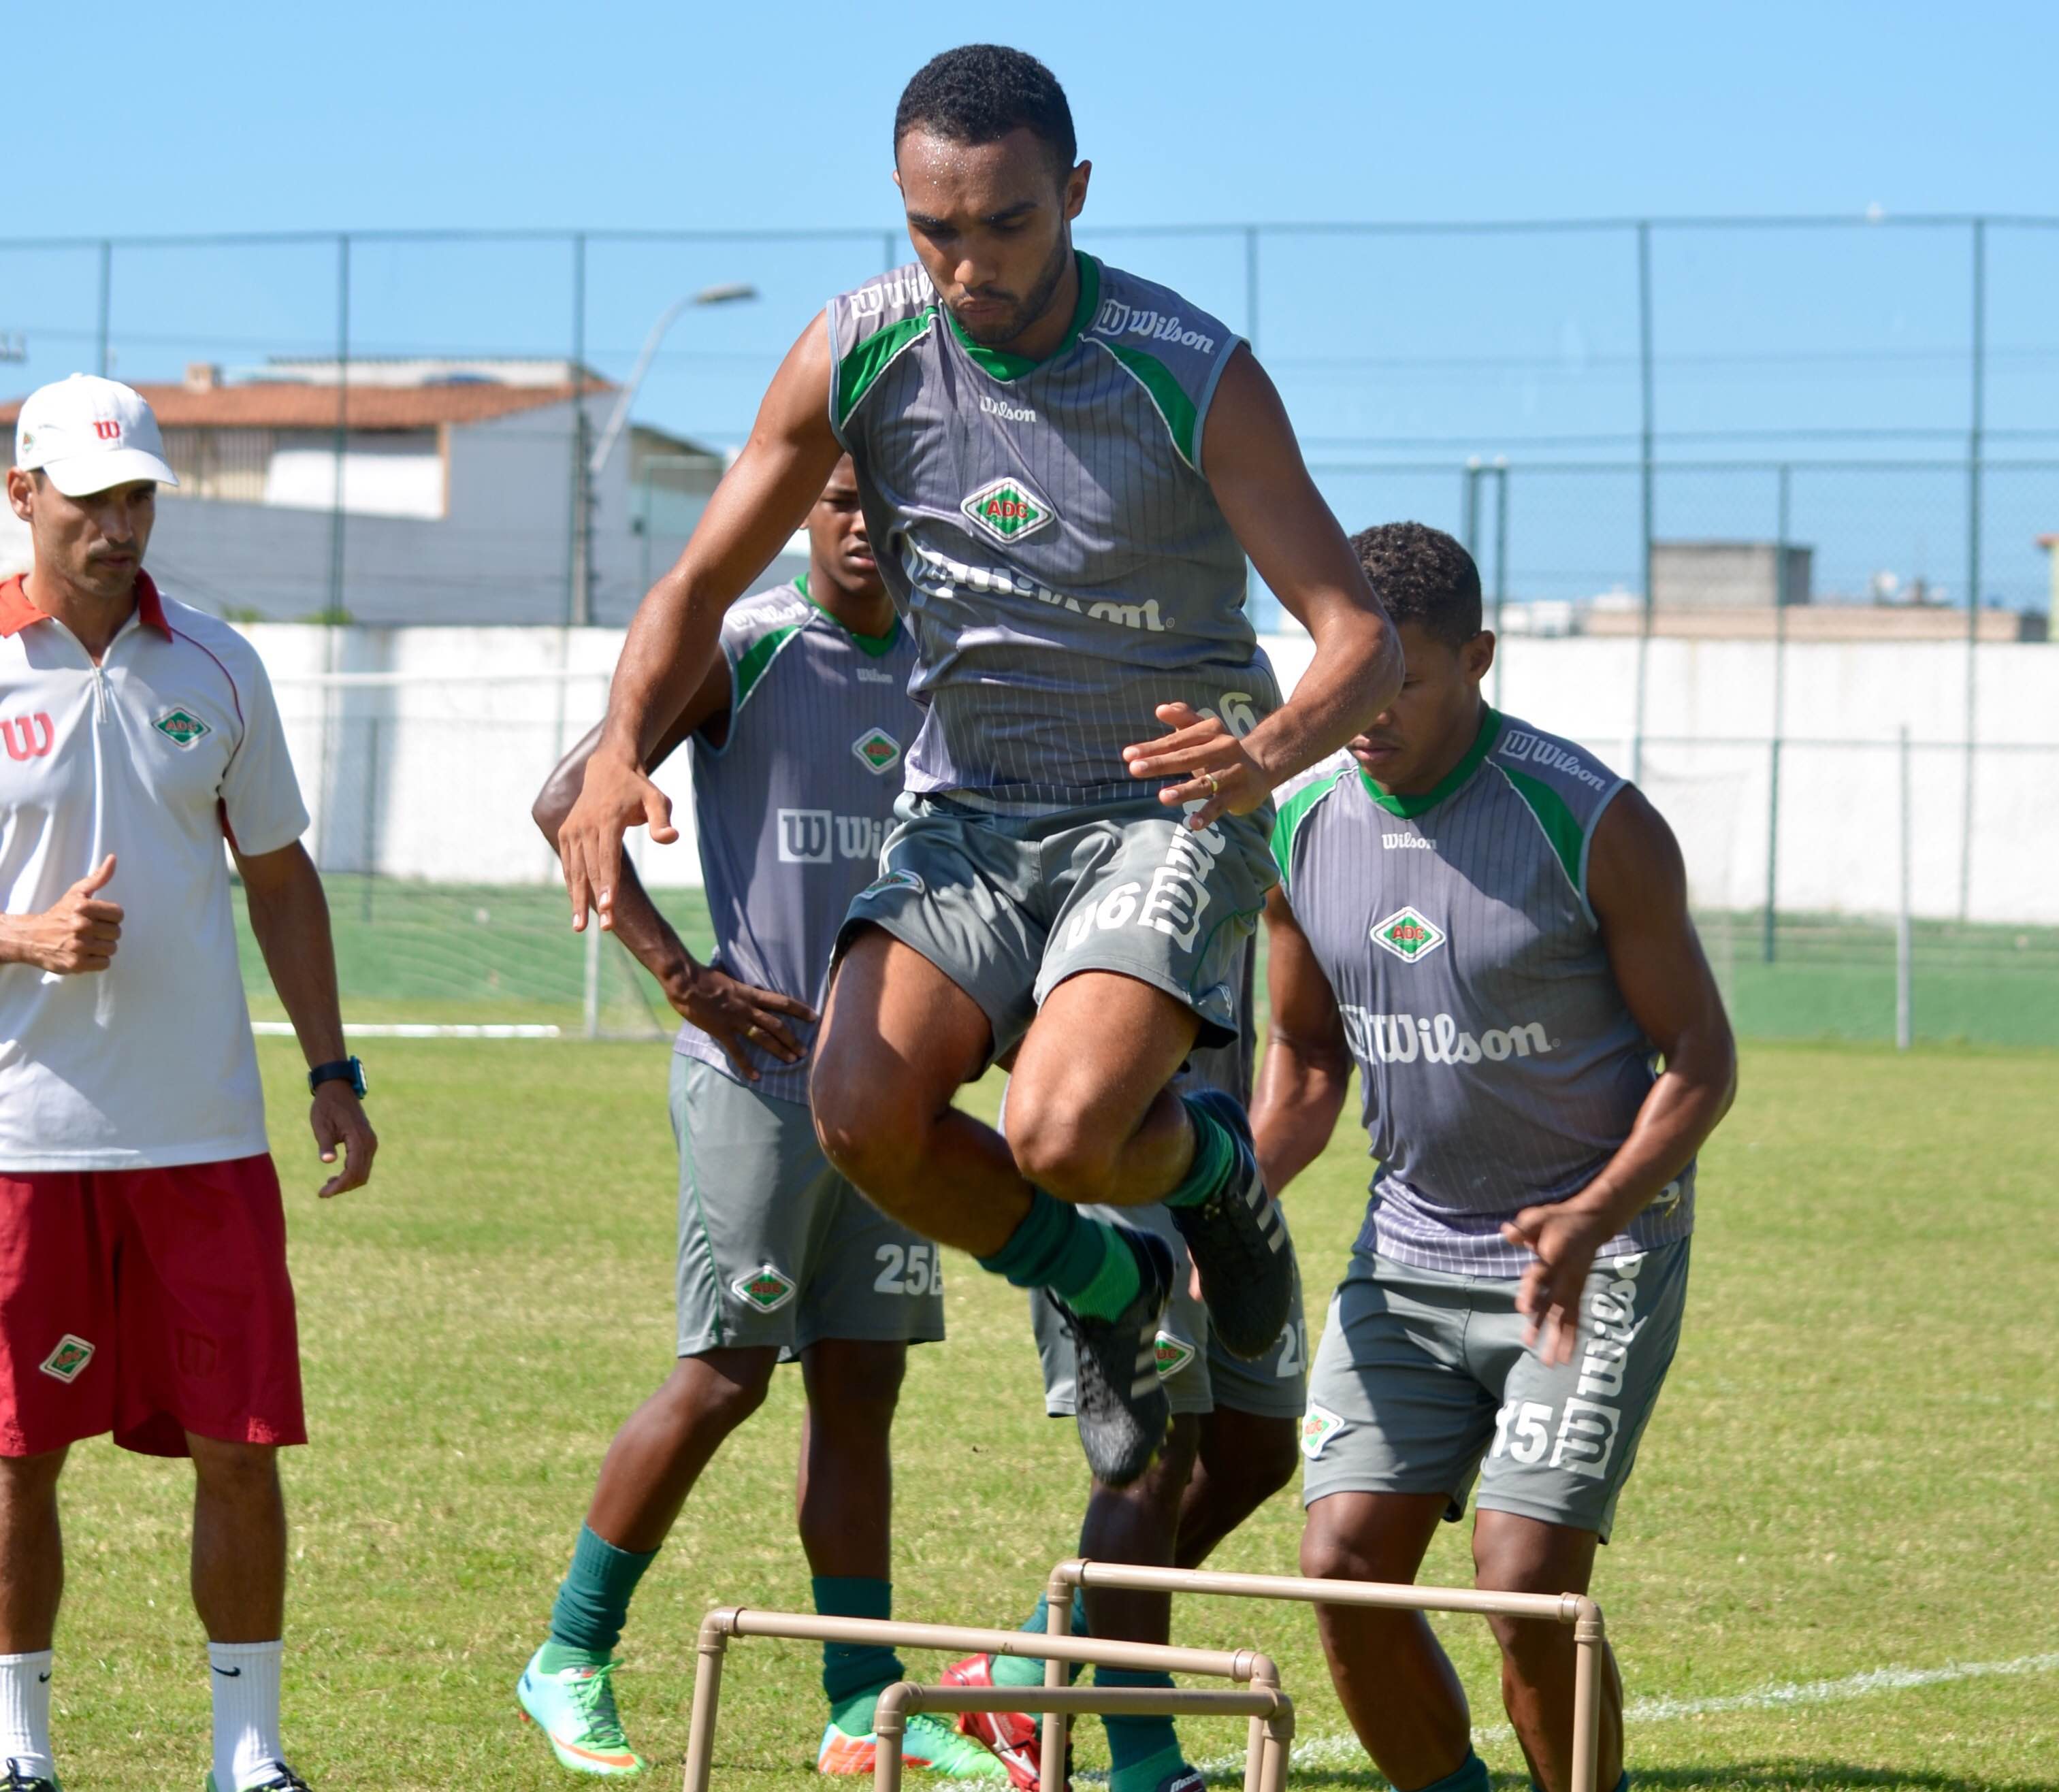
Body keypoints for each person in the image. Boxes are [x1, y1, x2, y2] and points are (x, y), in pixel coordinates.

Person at [555, 44, 1401, 1502]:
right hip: (970, 812)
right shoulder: (860, 345)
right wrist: (617, 750)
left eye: (1004, 225)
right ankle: (1110, 1290)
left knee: (1063, 1129)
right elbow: (698, 576)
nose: (966, 266)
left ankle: (1218, 1183)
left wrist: (1258, 753)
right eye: (933, 229)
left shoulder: (1189, 368)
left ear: (1073, 194)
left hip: (1164, 802)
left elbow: (1361, 637)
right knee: (858, 1108)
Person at [517, 460, 997, 1781]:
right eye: (834, 494)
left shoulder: (956, 659)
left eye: (882, 496)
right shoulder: (745, 646)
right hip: (760, 1081)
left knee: (861, 1383)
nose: (858, 519)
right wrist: (688, 981)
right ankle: (569, 1652)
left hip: (896, 1095)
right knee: (726, 1370)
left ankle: (859, 1701)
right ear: (797, 510)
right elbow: (569, 802)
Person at [1254, 522, 1737, 1792]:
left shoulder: (1593, 819)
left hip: (1589, 1260)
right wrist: (1228, 1211)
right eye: (1346, 670)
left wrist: (1592, 1212)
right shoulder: (1298, 818)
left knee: (1525, 1582)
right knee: (1341, 1567)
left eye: (1402, 677)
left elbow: (1700, 1058)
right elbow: (1307, 1062)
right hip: (1405, 1258)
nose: (1366, 707)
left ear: (1478, 656)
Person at [0, 374, 376, 1792]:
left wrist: (332, 1067)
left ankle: (248, 1748)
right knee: (19, 1456)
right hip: (19, 1140)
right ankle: (19, 1741)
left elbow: (278, 874)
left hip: (203, 1136)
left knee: (240, 1443)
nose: (116, 522)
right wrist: (21, 935)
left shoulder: (218, 664)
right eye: (88, 496)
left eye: (138, 494)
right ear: (22, 493)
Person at [943, 949, 1306, 1792]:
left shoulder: (1272, 825)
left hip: (1218, 1162)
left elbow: (1301, 1035)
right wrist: (1088, 1079)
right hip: (1107, 1142)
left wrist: (1231, 1210)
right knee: (1151, 1454)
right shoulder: (1078, 816)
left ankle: (1025, 1675)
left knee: (1257, 1452)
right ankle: (1143, 1762)